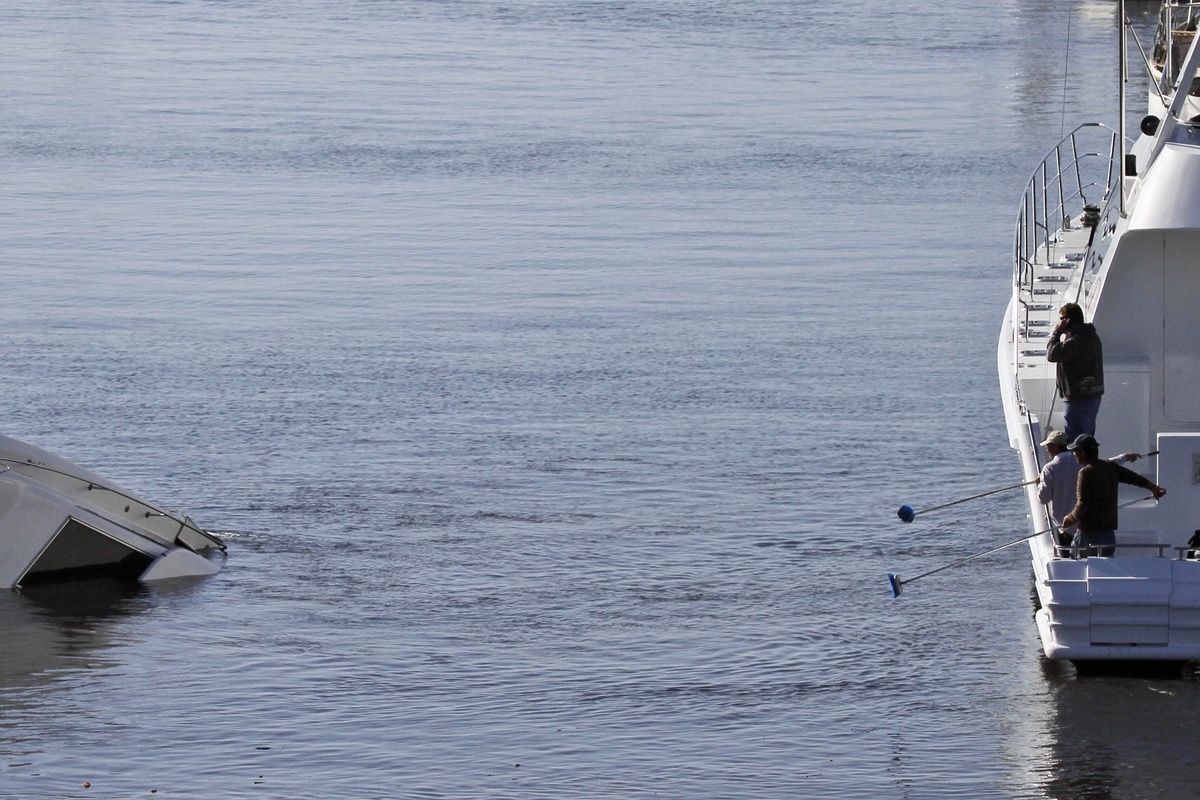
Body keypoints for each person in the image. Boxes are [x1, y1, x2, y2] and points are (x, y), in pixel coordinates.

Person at [1061, 434, 1165, 557]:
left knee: (1078, 569)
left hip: (1088, 535)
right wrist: (1153, 487)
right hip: (1108, 536)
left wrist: (1069, 519)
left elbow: (1082, 505)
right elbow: (1133, 478)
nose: (1073, 454)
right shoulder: (1110, 467)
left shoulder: (1085, 473)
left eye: (1075, 451)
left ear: (1082, 452)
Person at [1036, 429, 1144, 535]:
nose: (1047, 449)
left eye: (1048, 446)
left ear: (1055, 446)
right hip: (1086, 524)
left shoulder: (1049, 469)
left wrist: (1040, 482)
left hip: (1065, 526)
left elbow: (1043, 499)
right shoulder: (1083, 459)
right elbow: (1107, 464)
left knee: (1069, 551)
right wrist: (1124, 457)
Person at [1046, 302, 1104, 440]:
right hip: (1092, 396)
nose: (1059, 323)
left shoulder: (1075, 341)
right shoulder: (1092, 336)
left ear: (1068, 320)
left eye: (1061, 319)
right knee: (1087, 438)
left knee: (1076, 441)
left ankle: (1078, 461)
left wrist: (1057, 333)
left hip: (1078, 398)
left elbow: (1052, 355)